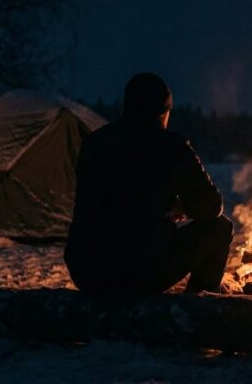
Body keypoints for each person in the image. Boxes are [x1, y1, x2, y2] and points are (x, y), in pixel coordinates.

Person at [64, 72, 233, 296]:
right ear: (163, 112)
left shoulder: (94, 142)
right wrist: (184, 208)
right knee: (220, 227)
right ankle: (198, 307)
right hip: (138, 272)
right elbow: (212, 207)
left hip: (87, 270)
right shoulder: (171, 146)